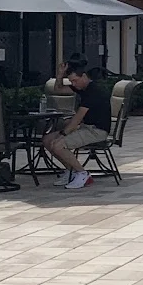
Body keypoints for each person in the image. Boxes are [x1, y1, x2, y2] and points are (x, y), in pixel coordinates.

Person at [41, 57, 112, 189]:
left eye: (75, 80)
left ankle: (83, 174)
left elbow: (76, 119)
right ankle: (71, 171)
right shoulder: (82, 88)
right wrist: (60, 75)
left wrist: (62, 135)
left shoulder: (93, 92)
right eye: (71, 81)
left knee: (58, 145)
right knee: (47, 140)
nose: (73, 84)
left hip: (97, 131)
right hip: (85, 127)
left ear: (84, 76)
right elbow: (58, 89)